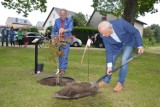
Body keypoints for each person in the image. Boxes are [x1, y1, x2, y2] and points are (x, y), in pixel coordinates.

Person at [98, 18, 144, 92]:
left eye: (104, 33)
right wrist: (109, 66)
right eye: (101, 33)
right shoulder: (103, 35)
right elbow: (109, 51)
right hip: (115, 47)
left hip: (128, 43)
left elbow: (135, 32)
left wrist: (140, 46)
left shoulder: (121, 23)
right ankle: (106, 81)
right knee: (110, 61)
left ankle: (120, 84)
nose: (103, 35)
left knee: (124, 61)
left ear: (110, 28)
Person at [52, 8, 73, 75]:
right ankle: (60, 68)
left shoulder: (69, 20)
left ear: (66, 14)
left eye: (63, 15)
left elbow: (70, 29)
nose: (62, 16)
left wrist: (64, 30)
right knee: (59, 55)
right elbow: (53, 30)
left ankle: (63, 69)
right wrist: (53, 38)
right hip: (59, 40)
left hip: (66, 39)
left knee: (65, 55)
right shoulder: (57, 21)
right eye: (61, 15)